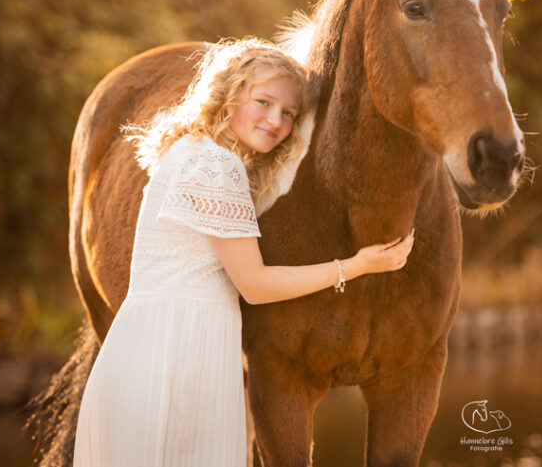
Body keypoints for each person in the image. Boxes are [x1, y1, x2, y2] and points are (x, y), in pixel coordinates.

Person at [72, 39, 414, 467]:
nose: (276, 120)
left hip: (147, 346)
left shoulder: (188, 150)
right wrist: (356, 266)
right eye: (264, 102)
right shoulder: (218, 167)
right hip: (183, 356)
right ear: (231, 95)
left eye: (289, 113)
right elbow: (254, 285)